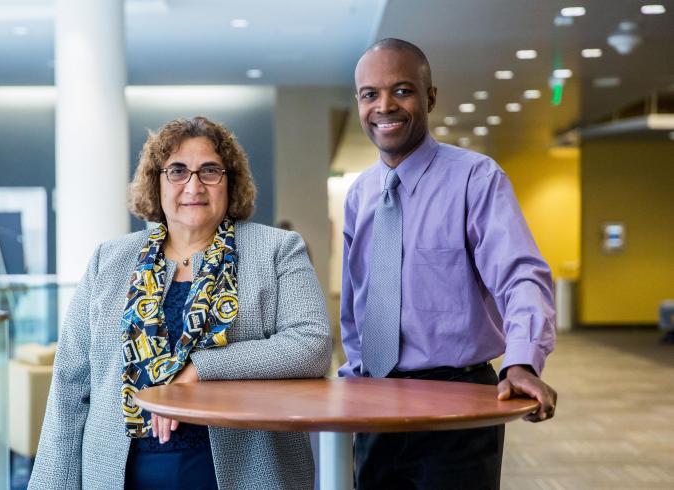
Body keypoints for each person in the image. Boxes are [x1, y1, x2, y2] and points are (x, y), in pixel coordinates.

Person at [29, 116, 332, 490]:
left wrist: (199, 369)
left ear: (230, 180)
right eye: (177, 171)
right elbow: (70, 387)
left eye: (209, 171)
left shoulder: (277, 250)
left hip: (244, 469)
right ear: (155, 182)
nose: (194, 185)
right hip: (118, 473)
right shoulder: (107, 261)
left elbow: (312, 346)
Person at [339, 38, 558, 489]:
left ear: (430, 97)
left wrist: (523, 361)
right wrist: (351, 378)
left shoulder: (476, 178)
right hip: (375, 402)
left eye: (402, 90)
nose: (385, 106)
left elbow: (520, 276)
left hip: (457, 401)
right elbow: (357, 300)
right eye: (370, 94)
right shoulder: (361, 193)